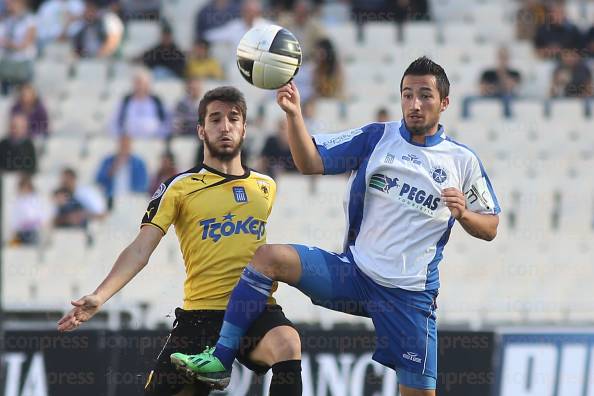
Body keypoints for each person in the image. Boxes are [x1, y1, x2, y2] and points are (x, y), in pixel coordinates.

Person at [175, 57, 501, 396]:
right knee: (268, 258)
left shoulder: (461, 161)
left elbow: (490, 226)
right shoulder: (378, 137)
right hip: (355, 275)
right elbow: (310, 162)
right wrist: (293, 114)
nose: (414, 104)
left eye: (425, 96)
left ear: (444, 103)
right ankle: (221, 359)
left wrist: (464, 214)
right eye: (407, 95)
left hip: (410, 298)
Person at [58, 86, 303, 396]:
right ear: (201, 129)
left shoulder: (265, 186)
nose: (225, 126)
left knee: (288, 342)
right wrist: (99, 296)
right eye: (215, 119)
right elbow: (139, 249)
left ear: (244, 128)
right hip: (200, 318)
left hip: (253, 308)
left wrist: (293, 114)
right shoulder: (179, 187)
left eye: (233, 118)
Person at [110, 68, 170, 138]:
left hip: (154, 141)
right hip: (129, 141)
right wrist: (122, 136)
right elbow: (115, 121)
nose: (140, 86)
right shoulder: (126, 101)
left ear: (148, 84)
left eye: (142, 83)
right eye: (137, 83)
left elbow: (166, 121)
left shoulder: (156, 101)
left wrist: (159, 136)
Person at [95, 134, 148, 210]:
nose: (124, 147)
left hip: (132, 200)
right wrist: (112, 169)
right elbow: (99, 180)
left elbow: (144, 184)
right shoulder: (108, 161)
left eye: (126, 144)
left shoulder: (138, 163)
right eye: (122, 144)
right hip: (111, 199)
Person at [0, 0, 37, 93]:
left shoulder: (30, 19)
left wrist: (8, 43)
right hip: (6, 61)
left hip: (22, 62)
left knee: (23, 91)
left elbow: (26, 43)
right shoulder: (5, 19)